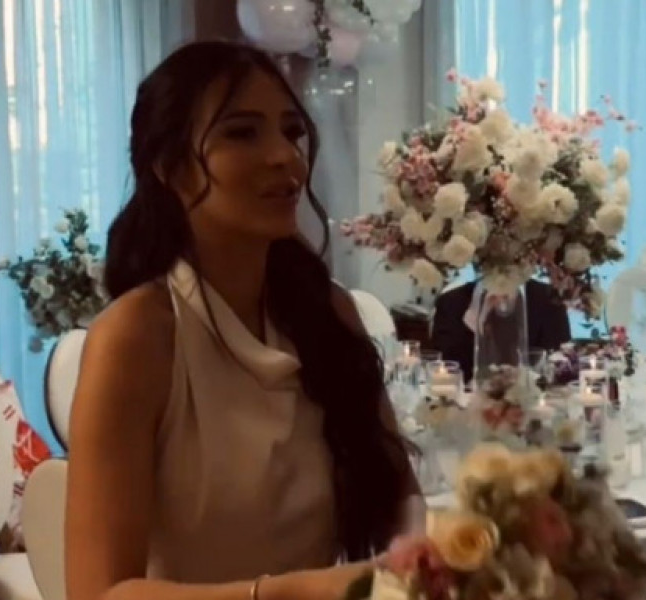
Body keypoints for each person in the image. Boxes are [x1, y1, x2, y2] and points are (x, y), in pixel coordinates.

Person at [65, 40, 423, 600]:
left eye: (291, 132)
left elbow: (400, 492)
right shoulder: (137, 336)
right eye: (242, 133)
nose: (284, 157)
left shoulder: (328, 313)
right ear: (170, 168)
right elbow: (98, 593)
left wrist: (412, 563)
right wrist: (292, 593)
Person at [431, 278, 571, 381]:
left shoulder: (551, 300)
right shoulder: (450, 302)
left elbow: (562, 368)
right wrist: (477, 321)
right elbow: (444, 370)